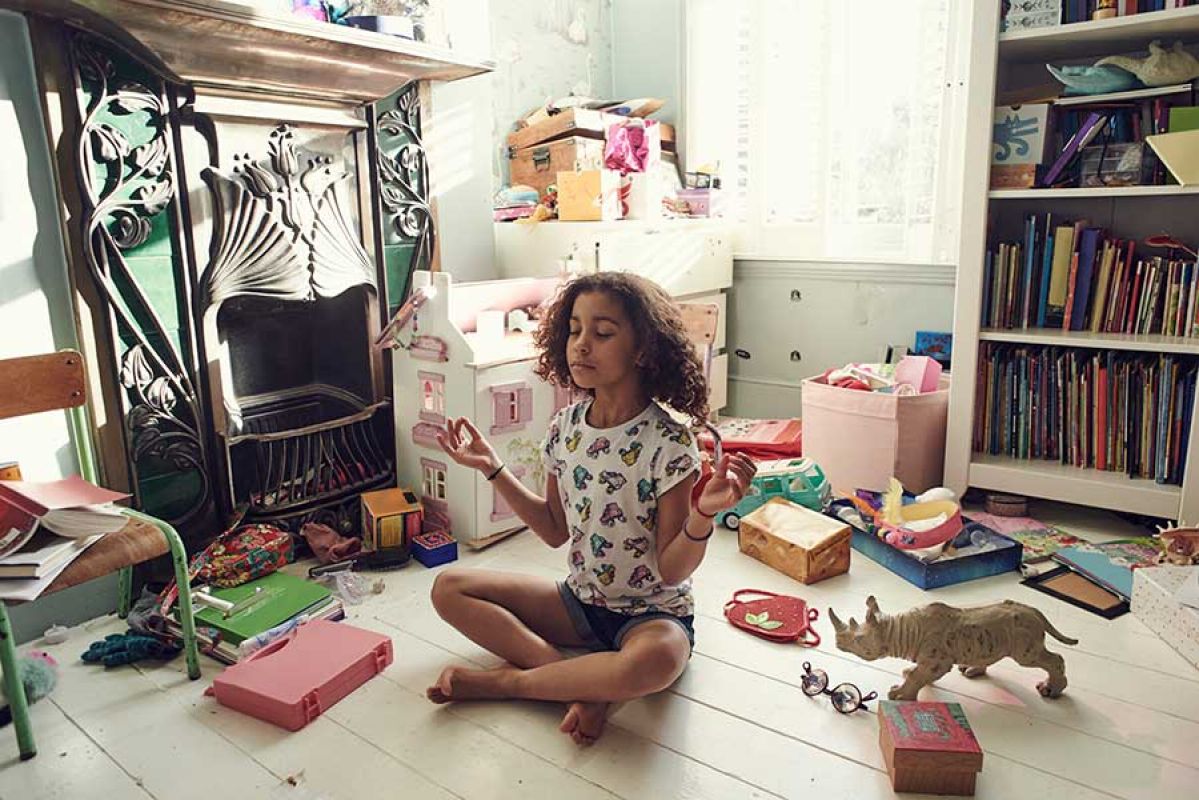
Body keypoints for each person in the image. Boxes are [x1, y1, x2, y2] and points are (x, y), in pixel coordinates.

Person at [425, 272, 756, 745]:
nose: (581, 345)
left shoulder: (671, 443)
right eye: (574, 330)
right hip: (579, 603)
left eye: (602, 333)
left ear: (642, 349)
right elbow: (555, 529)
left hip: (651, 616)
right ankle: (579, 685)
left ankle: (511, 683)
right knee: (448, 587)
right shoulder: (565, 429)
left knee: (659, 659)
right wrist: (492, 467)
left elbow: (670, 568)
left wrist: (701, 516)